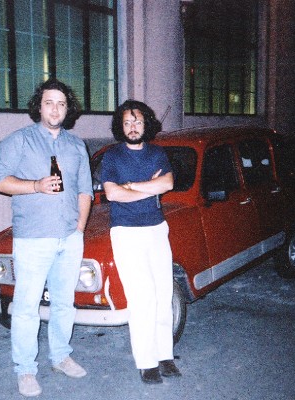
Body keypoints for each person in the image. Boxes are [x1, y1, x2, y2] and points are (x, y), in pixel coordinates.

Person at [0, 79, 93, 397]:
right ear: (39, 105)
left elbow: (85, 190)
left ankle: (60, 356)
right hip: (33, 239)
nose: (55, 109)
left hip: (68, 238)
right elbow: (0, 182)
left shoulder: (76, 146)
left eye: (61, 104)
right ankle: (25, 370)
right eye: (49, 102)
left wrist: (79, 227)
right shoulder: (18, 141)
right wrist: (35, 185)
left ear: (68, 109)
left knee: (64, 303)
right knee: (26, 306)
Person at [100, 100, 182, 384]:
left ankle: (165, 356)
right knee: (142, 296)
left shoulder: (158, 153)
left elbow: (168, 184)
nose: (132, 127)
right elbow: (112, 194)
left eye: (137, 122)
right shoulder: (112, 157)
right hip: (126, 232)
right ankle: (147, 362)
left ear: (146, 124)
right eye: (127, 123)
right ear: (120, 127)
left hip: (157, 229)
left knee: (163, 294)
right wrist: (148, 188)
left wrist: (131, 187)